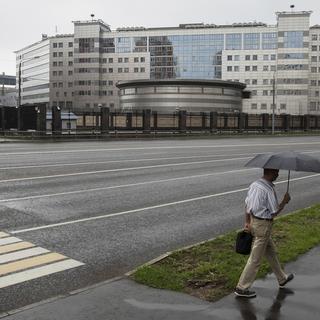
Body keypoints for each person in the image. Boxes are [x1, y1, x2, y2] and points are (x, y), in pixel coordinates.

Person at [234, 168, 294, 298]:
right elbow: (274, 212)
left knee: (271, 251)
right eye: (276, 172)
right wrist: (285, 201)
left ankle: (282, 278)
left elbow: (247, 205)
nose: (278, 174)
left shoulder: (254, 185)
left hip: (254, 222)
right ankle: (242, 287)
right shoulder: (268, 190)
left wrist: (247, 222)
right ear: (270, 172)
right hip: (264, 225)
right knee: (255, 259)